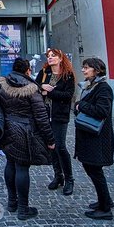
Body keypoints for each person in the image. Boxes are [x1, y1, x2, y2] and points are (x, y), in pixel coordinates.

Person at [0, 57, 55, 220]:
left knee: (10, 164)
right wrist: (50, 139)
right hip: (24, 131)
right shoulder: (31, 88)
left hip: (6, 129)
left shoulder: (2, 84)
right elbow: (41, 116)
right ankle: (23, 208)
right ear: (27, 70)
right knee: (22, 167)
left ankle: (12, 202)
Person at [75, 57, 114, 220]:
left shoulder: (103, 88)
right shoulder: (91, 87)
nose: (84, 70)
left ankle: (105, 208)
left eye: (87, 68)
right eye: (83, 67)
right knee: (92, 169)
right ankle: (104, 200)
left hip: (97, 138)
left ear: (97, 70)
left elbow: (102, 111)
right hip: (90, 135)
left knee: (94, 170)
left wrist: (80, 105)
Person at [35, 48, 76, 195]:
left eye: (53, 56)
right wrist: (41, 87)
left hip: (60, 115)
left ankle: (69, 179)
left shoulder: (67, 75)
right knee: (51, 146)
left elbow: (68, 95)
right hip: (45, 114)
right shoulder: (45, 73)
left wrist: (50, 92)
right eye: (49, 56)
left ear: (60, 58)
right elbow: (34, 87)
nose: (50, 58)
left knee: (60, 146)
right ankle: (58, 176)